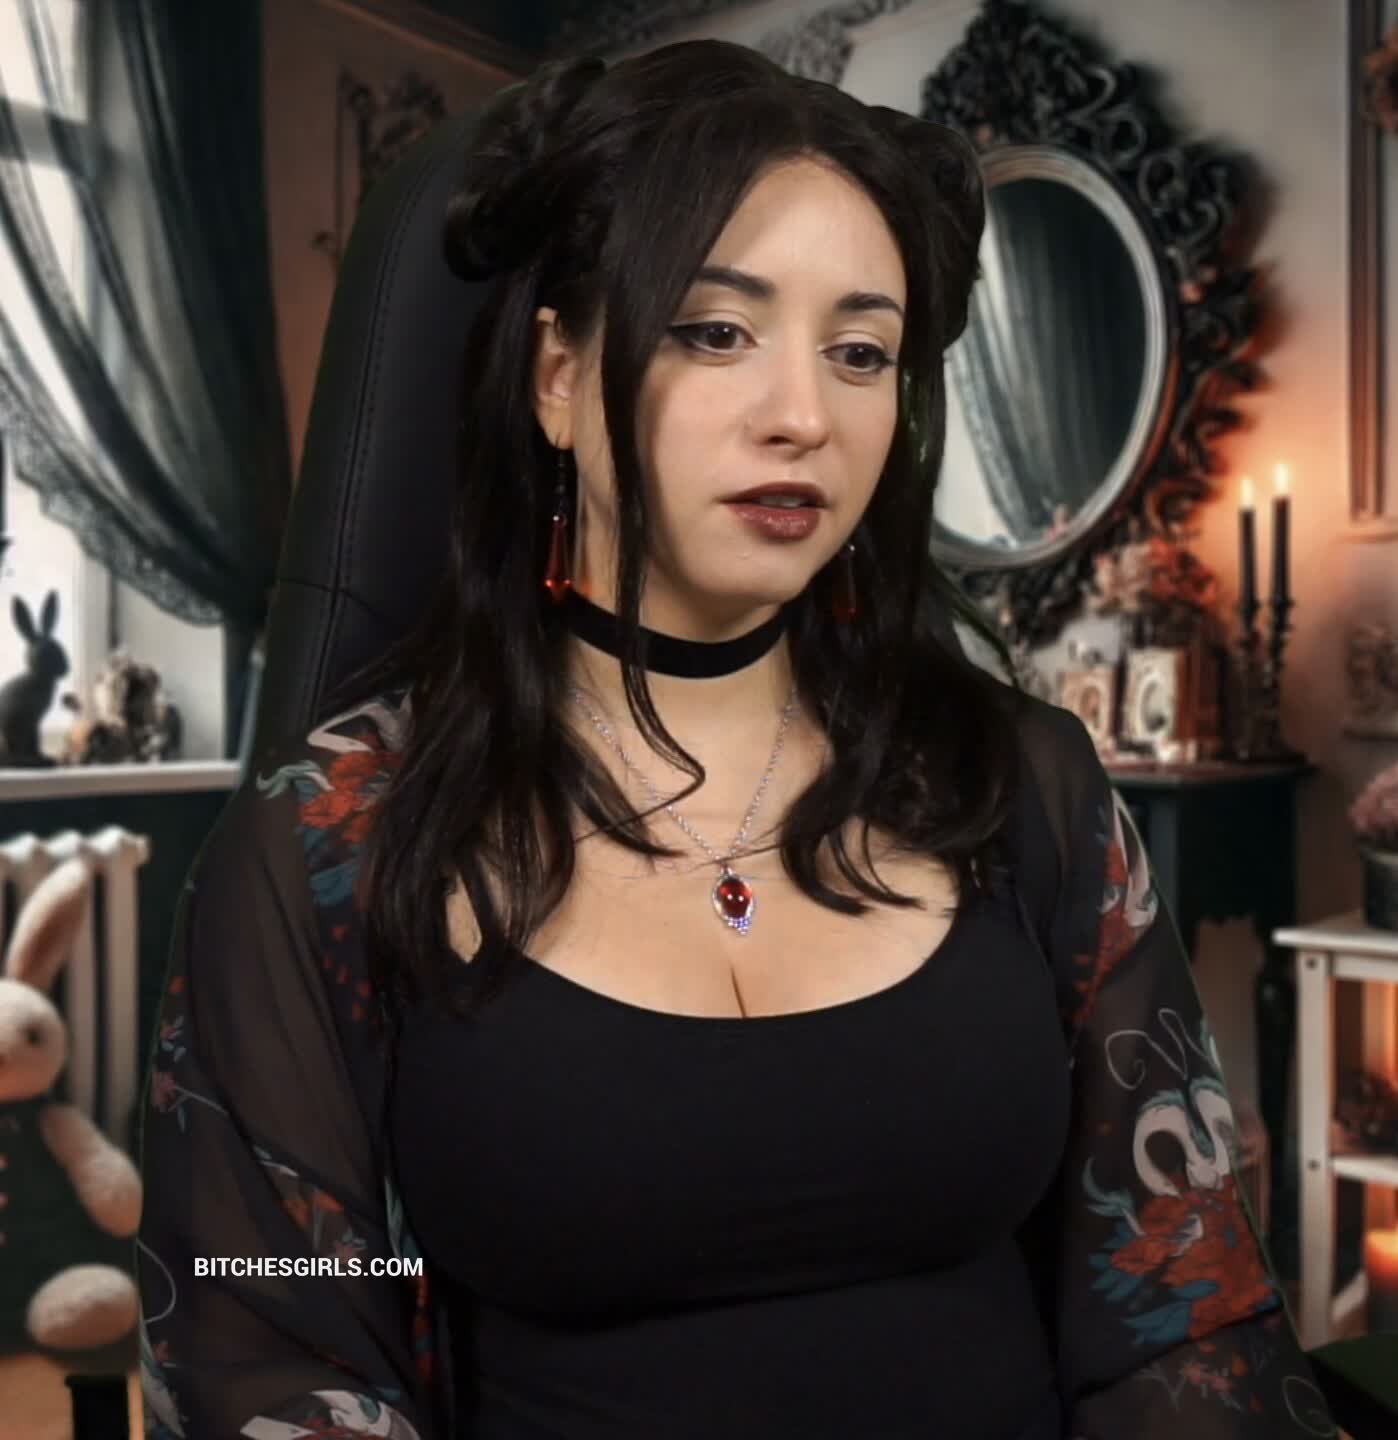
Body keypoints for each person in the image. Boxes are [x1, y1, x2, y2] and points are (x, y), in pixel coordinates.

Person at [136, 40, 1334, 1440]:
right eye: (716, 331)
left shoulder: (1021, 785)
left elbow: (1182, 1311)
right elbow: (264, 1330)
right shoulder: (330, 840)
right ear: (558, 374)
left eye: (860, 352)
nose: (802, 417)